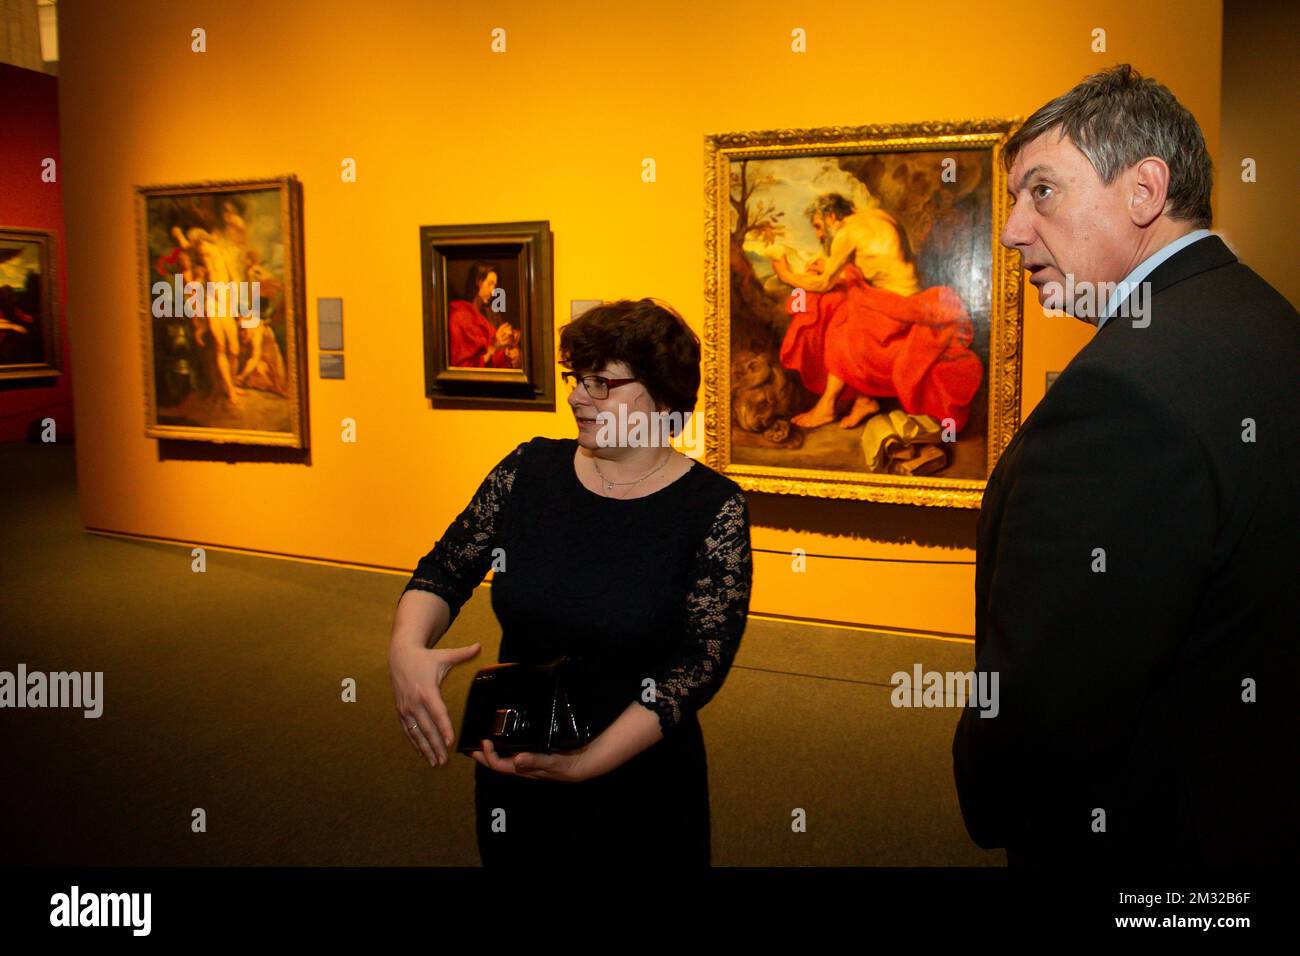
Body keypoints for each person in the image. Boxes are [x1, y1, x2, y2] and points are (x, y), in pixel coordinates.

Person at [951, 64, 1300, 866]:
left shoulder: (1121, 392)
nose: (1010, 230)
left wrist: (992, 791)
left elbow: (1052, 702)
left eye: (1042, 191)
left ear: (1145, 191)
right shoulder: (1265, 318)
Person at [389, 297, 753, 866]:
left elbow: (700, 662)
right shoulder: (528, 470)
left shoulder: (712, 507)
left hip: (639, 777)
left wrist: (589, 762)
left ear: (662, 394)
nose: (578, 396)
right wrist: (407, 647)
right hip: (519, 759)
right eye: (575, 378)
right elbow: (446, 568)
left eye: (602, 382)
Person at [767, 192, 984, 432]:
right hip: (913, 296)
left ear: (830, 216)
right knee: (844, 305)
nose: (819, 234)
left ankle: (827, 406)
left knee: (839, 327)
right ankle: (864, 400)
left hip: (897, 306)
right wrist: (830, 267)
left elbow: (824, 284)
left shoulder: (847, 232)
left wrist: (786, 275)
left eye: (819, 226)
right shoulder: (878, 216)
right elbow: (877, 264)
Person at [447, 261, 521, 368]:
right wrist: (495, 345)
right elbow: (462, 367)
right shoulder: (458, 316)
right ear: (478, 282)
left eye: (495, 285)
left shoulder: (490, 314)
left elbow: (494, 357)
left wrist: (508, 350)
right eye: (490, 284)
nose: (493, 291)